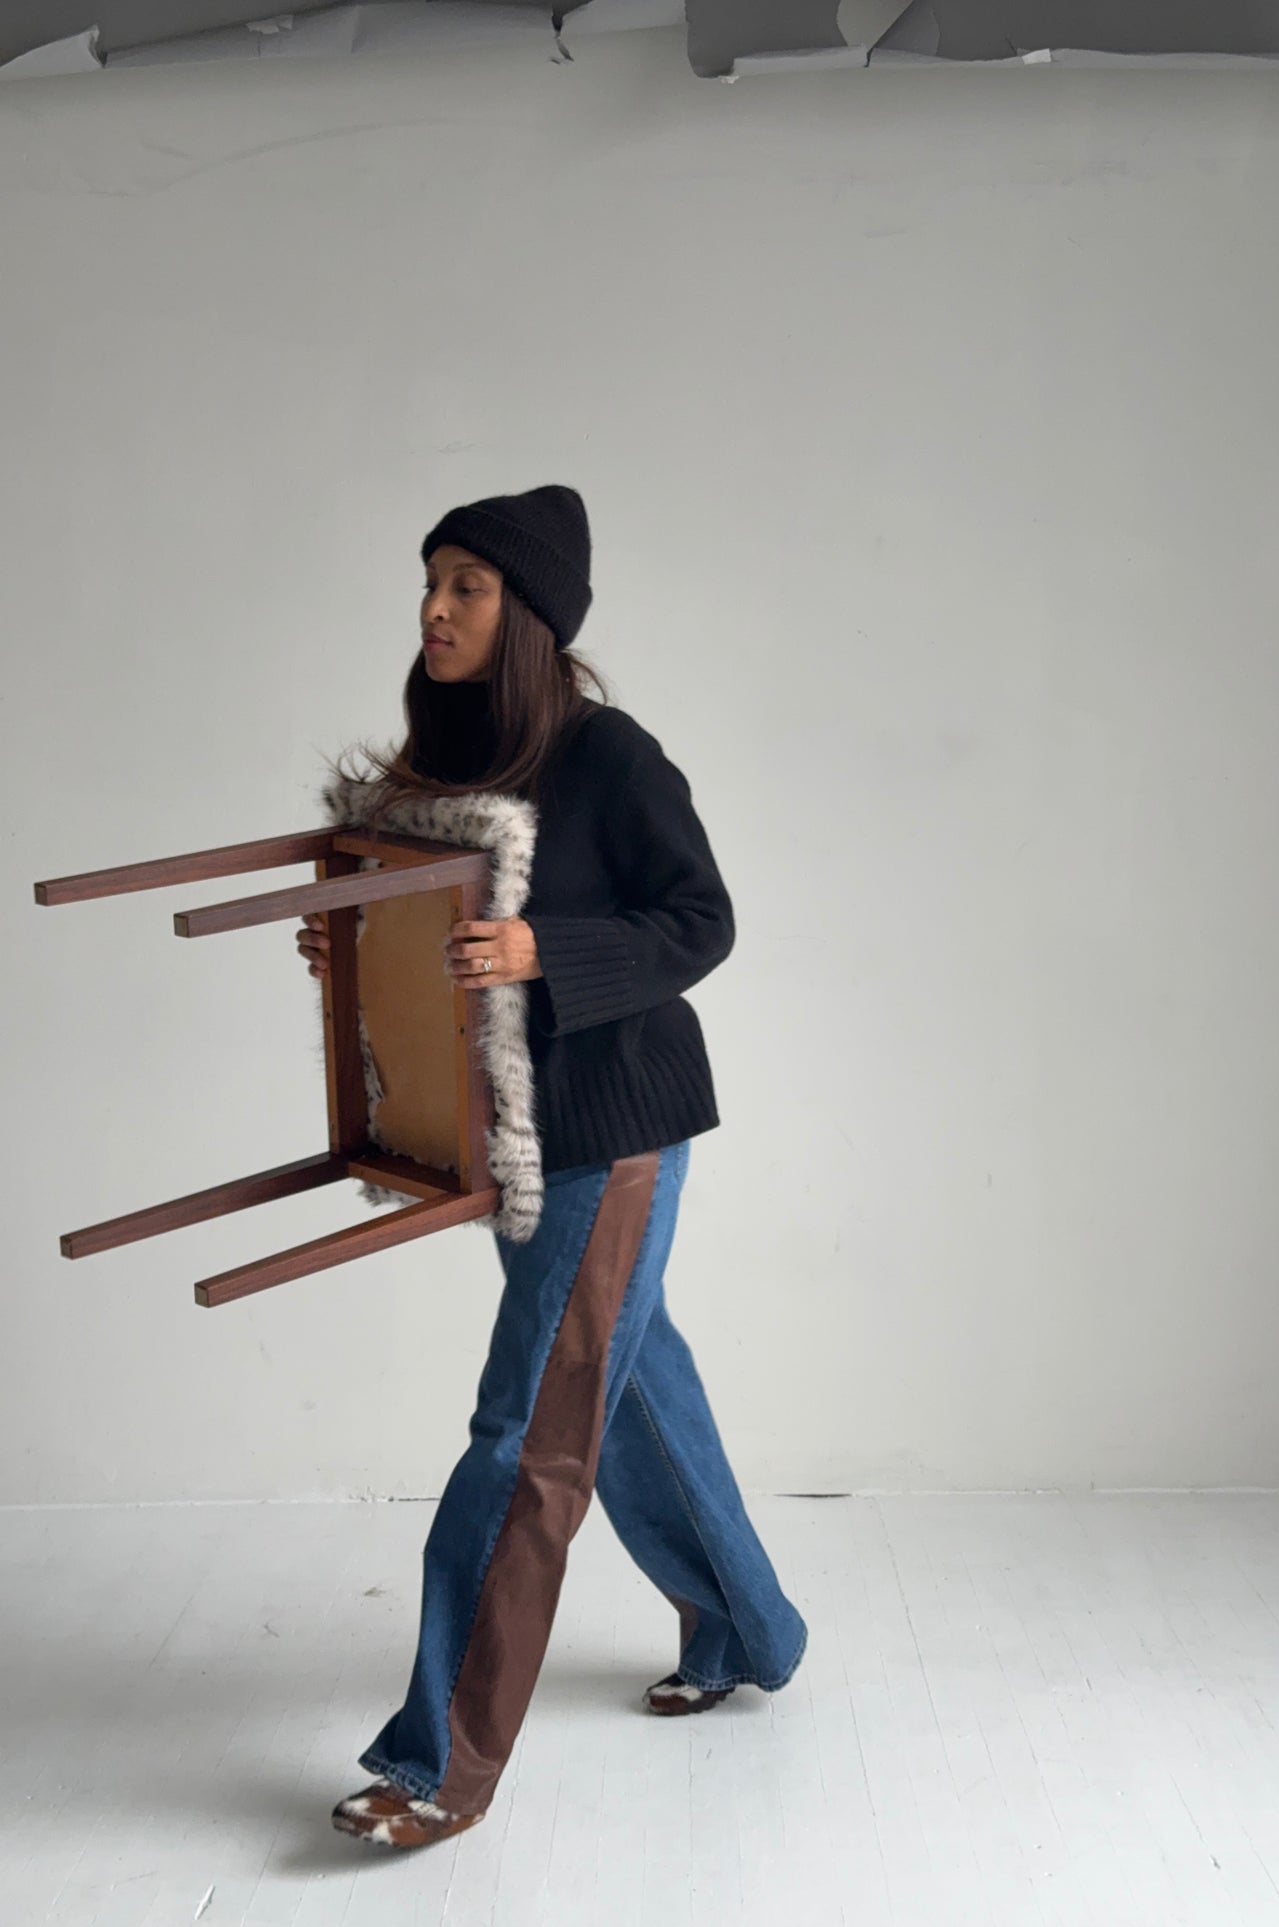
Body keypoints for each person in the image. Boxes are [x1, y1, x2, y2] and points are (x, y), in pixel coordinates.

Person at [297, 484, 808, 1851]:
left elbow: (700, 919)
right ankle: (752, 1629)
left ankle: (437, 1763)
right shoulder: (444, 754)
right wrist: (351, 947)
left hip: (611, 1128)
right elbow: (425, 924)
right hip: (504, 1132)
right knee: (628, 1393)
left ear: (525, 614)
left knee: (524, 1437)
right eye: (429, 581)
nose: (433, 608)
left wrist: (544, 952)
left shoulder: (607, 755)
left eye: (465, 586)